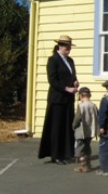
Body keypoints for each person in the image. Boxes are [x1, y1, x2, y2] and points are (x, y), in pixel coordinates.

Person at [38, 35, 79, 165]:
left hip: (68, 99)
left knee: (67, 126)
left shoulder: (70, 60)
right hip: (57, 99)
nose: (68, 49)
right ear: (60, 46)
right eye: (67, 47)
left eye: (69, 47)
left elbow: (72, 75)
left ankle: (66, 153)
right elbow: (53, 80)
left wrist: (75, 82)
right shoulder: (53, 60)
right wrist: (66, 88)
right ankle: (55, 154)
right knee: (56, 127)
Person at [72, 87, 98, 173]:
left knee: (80, 149)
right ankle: (88, 164)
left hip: (81, 131)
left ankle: (84, 166)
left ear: (81, 95)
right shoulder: (93, 105)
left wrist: (73, 125)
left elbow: (78, 117)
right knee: (87, 147)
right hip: (90, 130)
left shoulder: (81, 106)